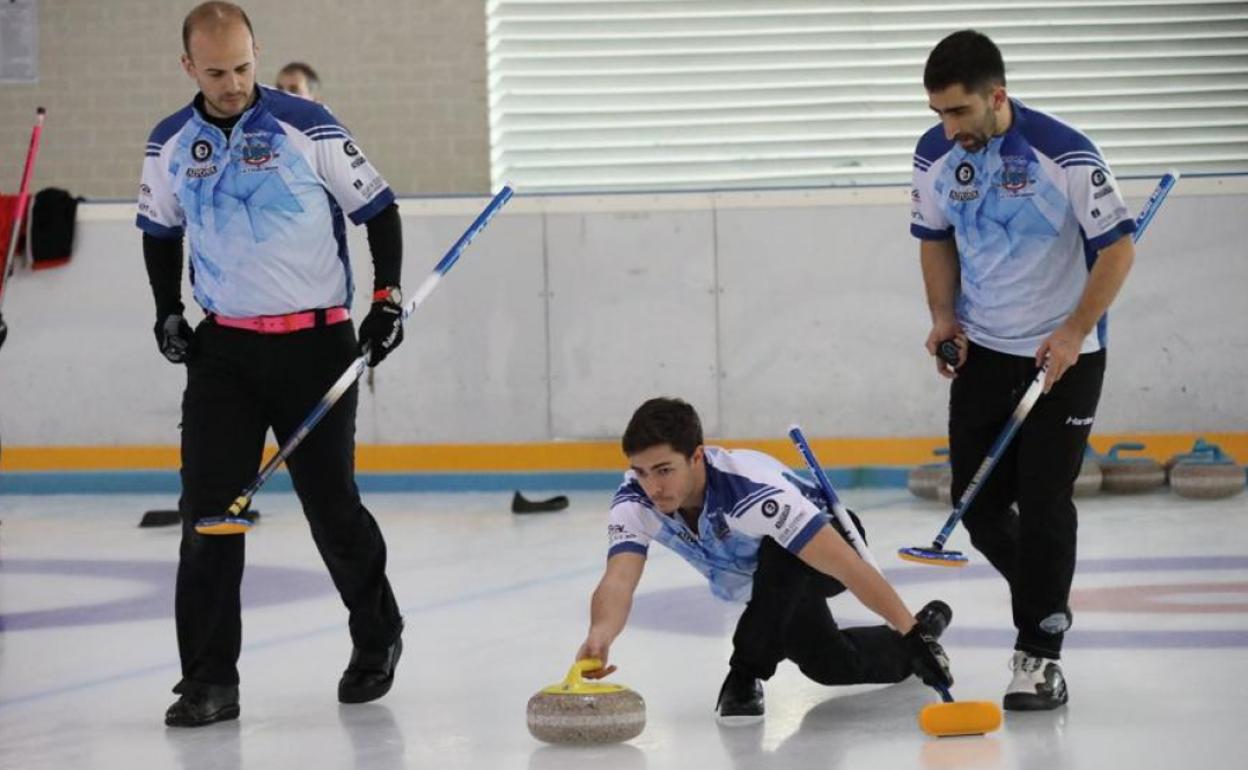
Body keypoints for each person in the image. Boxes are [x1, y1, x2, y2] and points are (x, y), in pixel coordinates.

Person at [137, 2, 407, 727]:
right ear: (188, 66)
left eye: (243, 67)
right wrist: (168, 309)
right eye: (217, 72)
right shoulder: (170, 142)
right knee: (209, 517)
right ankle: (208, 681)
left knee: (332, 509)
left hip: (315, 346)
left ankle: (378, 633)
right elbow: (160, 232)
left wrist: (385, 298)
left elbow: (378, 209)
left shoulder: (306, 126)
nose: (232, 84)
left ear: (258, 54)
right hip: (223, 350)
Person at [910, 30, 1137, 710]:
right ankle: (1048, 597)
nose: (948, 129)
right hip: (984, 351)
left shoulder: (1063, 153)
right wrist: (944, 318)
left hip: (1063, 358)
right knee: (975, 506)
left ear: (996, 97)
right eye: (938, 114)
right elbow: (934, 240)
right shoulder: (934, 156)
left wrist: (1072, 332)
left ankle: (1040, 653)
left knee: (1043, 506)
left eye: (959, 113)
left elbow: (1118, 251)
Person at [575, 397, 954, 725]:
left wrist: (908, 629)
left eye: (664, 470)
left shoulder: (748, 492)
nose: (652, 486)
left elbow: (847, 567)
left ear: (696, 456)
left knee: (781, 558)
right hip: (766, 582)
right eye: (641, 472)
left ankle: (743, 674)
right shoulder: (635, 502)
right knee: (829, 665)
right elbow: (618, 580)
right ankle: (924, 631)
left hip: (827, 545)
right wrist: (601, 633)